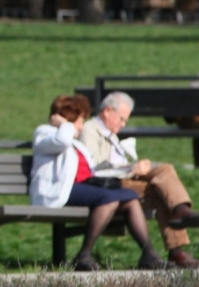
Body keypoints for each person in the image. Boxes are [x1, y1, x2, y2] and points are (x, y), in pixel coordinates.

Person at [31, 95, 167, 272]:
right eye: (79, 121)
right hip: (59, 190)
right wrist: (63, 124)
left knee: (130, 198)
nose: (81, 126)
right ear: (68, 120)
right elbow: (62, 141)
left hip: (83, 187)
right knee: (109, 198)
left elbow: (92, 169)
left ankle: (149, 255)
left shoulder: (75, 143)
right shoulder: (45, 133)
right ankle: (84, 254)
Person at [79, 92, 199, 269]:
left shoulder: (109, 133)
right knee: (162, 191)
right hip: (110, 185)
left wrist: (135, 167)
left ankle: (180, 210)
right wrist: (131, 169)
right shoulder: (90, 130)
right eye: (122, 119)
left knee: (165, 169)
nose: (123, 124)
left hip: (123, 177)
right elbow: (93, 168)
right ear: (108, 111)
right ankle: (176, 250)